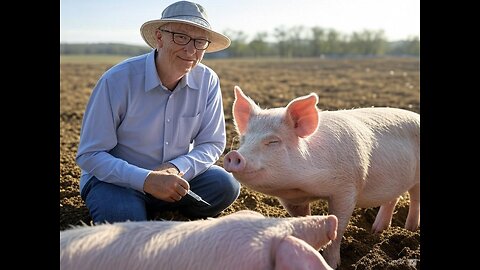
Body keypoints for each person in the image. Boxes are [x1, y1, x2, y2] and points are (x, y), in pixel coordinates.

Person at [76, 1, 240, 224]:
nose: (191, 49)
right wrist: (146, 180)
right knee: (126, 224)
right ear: (160, 37)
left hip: (174, 179)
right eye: (181, 37)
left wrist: (175, 168)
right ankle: (135, 209)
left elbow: (212, 143)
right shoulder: (117, 80)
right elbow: (90, 154)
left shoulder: (207, 81)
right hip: (117, 181)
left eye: (200, 41)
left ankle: (151, 207)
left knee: (224, 186)